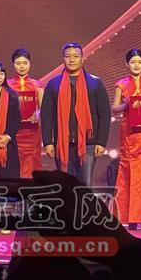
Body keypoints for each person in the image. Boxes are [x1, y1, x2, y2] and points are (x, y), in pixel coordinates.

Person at [41, 42, 111, 185]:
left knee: (84, 185)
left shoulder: (95, 83)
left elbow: (104, 114)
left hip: (89, 144)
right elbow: (46, 115)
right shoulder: (53, 84)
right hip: (62, 143)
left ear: (82, 59)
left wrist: (101, 142)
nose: (71, 59)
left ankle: (83, 202)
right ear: (63, 59)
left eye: (75, 56)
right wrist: (48, 142)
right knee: (65, 185)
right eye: (68, 56)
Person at [113, 48, 141, 230]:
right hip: (129, 134)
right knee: (129, 172)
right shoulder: (122, 84)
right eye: (133, 62)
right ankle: (131, 217)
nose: (136, 65)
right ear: (127, 64)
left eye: (140, 62)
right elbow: (114, 108)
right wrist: (126, 105)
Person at [8, 48, 43, 178]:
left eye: (25, 63)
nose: (22, 66)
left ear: (30, 63)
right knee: (14, 164)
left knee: (32, 165)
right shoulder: (7, 85)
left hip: (32, 132)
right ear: (13, 64)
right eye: (18, 63)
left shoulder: (37, 84)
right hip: (13, 132)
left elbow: (43, 107)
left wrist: (37, 114)